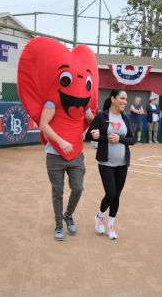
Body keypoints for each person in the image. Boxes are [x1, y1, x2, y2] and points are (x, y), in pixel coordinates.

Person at [40, 103, 99, 241]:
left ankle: (68, 215)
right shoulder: (52, 101)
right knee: (57, 191)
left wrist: (97, 127)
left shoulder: (84, 102)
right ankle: (59, 224)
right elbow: (43, 124)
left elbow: (91, 120)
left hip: (76, 152)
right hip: (54, 153)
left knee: (78, 188)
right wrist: (60, 142)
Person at [86, 88, 135, 240]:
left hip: (122, 162)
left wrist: (119, 138)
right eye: (122, 98)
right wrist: (104, 137)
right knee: (111, 193)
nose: (125, 102)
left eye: (126, 99)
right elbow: (89, 135)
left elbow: (132, 140)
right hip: (105, 162)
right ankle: (100, 216)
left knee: (117, 195)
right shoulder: (102, 116)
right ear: (113, 99)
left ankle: (110, 226)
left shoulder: (125, 118)